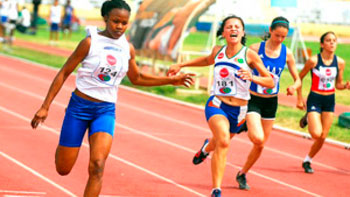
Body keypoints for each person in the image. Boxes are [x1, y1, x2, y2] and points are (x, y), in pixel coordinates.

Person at [30, 0, 194, 196]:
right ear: (105, 18)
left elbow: (137, 78)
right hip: (79, 108)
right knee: (63, 169)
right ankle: (67, 137)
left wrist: (170, 81)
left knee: (98, 165)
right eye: (115, 21)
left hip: (105, 110)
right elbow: (64, 73)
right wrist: (45, 106)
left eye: (124, 23)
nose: (120, 27)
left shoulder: (127, 48)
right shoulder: (89, 43)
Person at [167, 15, 274, 197]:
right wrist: (181, 64)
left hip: (239, 110)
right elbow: (206, 61)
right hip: (217, 103)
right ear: (223, 32)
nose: (233, 29)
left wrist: (252, 77)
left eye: (237, 27)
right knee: (224, 141)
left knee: (219, 141)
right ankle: (216, 189)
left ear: (242, 32)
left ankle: (205, 148)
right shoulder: (218, 51)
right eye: (229, 27)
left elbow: (270, 82)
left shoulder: (249, 55)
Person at [233, 16, 301, 190]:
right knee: (258, 137)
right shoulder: (255, 49)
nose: (279, 39)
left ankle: (242, 174)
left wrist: (294, 86)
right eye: (277, 35)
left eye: (283, 37)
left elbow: (298, 79)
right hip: (253, 99)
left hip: (271, 103)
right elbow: (239, 69)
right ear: (270, 30)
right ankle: (246, 123)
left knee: (260, 144)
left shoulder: (288, 53)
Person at [296, 31, 350, 173]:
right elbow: (299, 78)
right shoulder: (313, 61)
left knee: (323, 136)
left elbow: (338, 84)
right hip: (315, 98)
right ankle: (309, 115)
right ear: (322, 44)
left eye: (334, 40)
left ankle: (308, 160)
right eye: (328, 40)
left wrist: (345, 86)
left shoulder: (340, 62)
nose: (332, 43)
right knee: (316, 133)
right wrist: (299, 98)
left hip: (329, 100)